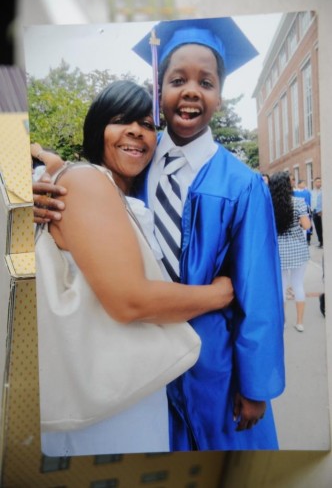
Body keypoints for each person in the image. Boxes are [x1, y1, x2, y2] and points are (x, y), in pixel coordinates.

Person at [33, 17, 285, 451]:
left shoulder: (241, 185)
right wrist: (37, 184)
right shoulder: (135, 165)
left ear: (220, 97)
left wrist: (257, 385)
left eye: (206, 82)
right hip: (140, 360)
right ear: (159, 92)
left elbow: (260, 292)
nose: (190, 90)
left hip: (215, 365)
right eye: (177, 79)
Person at [34, 80, 234, 456]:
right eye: (119, 119)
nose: (136, 131)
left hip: (124, 386)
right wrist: (221, 292)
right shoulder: (87, 182)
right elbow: (130, 300)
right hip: (106, 403)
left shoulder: (123, 193)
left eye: (146, 123)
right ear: (97, 130)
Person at [269, 172, 311, 333]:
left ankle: (283, 322)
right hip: (298, 250)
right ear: (288, 185)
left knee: (281, 287)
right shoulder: (299, 202)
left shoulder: (268, 204)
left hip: (277, 250)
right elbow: (306, 226)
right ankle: (300, 322)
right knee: (298, 285)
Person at [293, 179, 312, 245]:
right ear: (299, 184)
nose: (304, 185)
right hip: (296, 210)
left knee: (306, 224)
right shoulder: (295, 192)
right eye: (303, 183)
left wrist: (309, 209)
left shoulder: (307, 192)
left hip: (305, 210)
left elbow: (309, 201)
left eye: (304, 183)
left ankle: (308, 239)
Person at [311, 176, 323, 247]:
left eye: (320, 181)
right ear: (315, 183)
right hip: (314, 212)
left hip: (322, 212)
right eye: (318, 181)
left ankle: (325, 241)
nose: (319, 183)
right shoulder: (312, 192)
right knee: (317, 227)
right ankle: (320, 241)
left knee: (323, 227)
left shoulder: (323, 191)